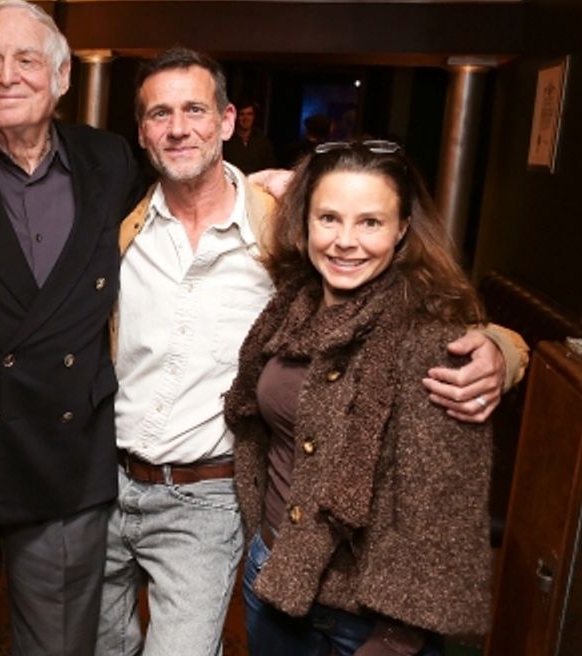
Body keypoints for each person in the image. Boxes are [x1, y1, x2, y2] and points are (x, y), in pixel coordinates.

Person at [98, 47, 524, 656]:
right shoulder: (119, 228)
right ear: (142, 132)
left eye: (195, 109)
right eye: (160, 113)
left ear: (226, 121)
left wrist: (500, 348)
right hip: (114, 489)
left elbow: (422, 307)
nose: (178, 127)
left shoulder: (279, 230)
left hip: (209, 502)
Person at [0, 0, 142, 655]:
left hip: (65, 460)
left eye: (25, 59)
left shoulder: (111, 161)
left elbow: (187, 201)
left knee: (60, 646)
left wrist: (264, 188)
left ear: (62, 78)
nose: (6, 75)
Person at [225, 139, 495, 653]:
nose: (345, 241)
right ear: (303, 223)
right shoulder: (290, 308)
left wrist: (396, 638)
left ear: (403, 231)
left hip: (362, 621)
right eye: (328, 217)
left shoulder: (432, 339)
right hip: (272, 578)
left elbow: (441, 510)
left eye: (370, 222)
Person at [223, 100, 275, 173]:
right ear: (236, 117)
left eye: (249, 114)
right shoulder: (226, 140)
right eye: (242, 114)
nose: (246, 118)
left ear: (253, 117)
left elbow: (270, 169)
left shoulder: (262, 141)